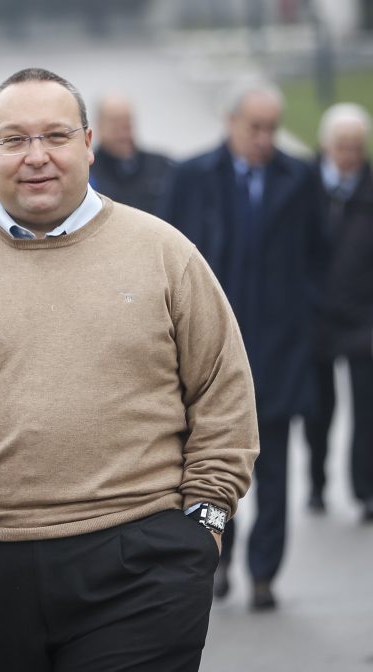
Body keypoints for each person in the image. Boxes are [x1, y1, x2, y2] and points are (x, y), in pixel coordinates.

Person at [0, 67, 258, 671]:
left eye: (56, 136)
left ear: (88, 144)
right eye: (15, 139)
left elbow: (222, 390)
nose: (36, 156)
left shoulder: (164, 253)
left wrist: (205, 520)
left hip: (140, 561)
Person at [162, 80, 326, 610]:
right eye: (255, 127)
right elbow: (166, 259)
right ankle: (217, 558)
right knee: (211, 472)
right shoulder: (192, 177)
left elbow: (318, 253)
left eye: (272, 128)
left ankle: (263, 574)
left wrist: (307, 322)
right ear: (231, 122)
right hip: (207, 360)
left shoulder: (298, 178)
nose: (264, 138)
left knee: (273, 472)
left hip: (279, 354)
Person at [304, 102, 373, 522]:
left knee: (366, 408)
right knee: (318, 408)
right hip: (316, 315)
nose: (349, 154)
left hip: (364, 317)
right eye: (341, 145)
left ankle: (365, 490)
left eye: (356, 146)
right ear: (326, 146)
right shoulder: (306, 184)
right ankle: (317, 483)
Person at [89, 92, 174, 216]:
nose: (123, 130)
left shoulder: (162, 166)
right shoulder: (87, 172)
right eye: (115, 122)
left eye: (127, 121)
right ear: (99, 126)